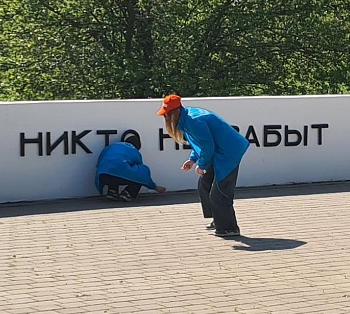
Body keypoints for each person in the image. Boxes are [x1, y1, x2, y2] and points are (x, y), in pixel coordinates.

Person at [160, 94, 250, 238]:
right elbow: (200, 143)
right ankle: (218, 219)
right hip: (218, 150)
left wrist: (201, 165)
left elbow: (208, 146)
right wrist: (192, 159)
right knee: (204, 184)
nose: (165, 118)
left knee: (220, 190)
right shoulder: (186, 118)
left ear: (174, 113)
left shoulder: (193, 120)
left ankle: (229, 228)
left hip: (229, 152)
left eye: (166, 115)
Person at [95, 131, 167, 202]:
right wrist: (155, 187)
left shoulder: (110, 147)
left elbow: (99, 164)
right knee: (141, 171)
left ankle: (112, 191)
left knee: (113, 167)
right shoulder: (134, 150)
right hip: (117, 175)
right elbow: (142, 174)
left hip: (103, 176)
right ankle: (128, 193)